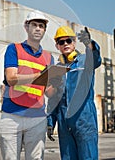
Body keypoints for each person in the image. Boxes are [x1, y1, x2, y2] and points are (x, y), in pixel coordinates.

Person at [0, 10, 56, 160]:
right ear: (26, 27)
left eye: (41, 26)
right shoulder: (14, 49)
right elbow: (11, 78)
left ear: (44, 30)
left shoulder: (49, 58)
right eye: (34, 25)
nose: (38, 28)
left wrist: (58, 82)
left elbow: (49, 92)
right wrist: (38, 76)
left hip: (37, 116)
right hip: (12, 114)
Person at [47, 26, 102, 160]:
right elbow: (54, 99)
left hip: (84, 120)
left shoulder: (85, 61)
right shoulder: (56, 70)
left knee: (88, 157)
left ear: (74, 42)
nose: (65, 44)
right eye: (61, 42)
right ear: (57, 46)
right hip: (64, 123)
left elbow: (96, 57)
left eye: (69, 40)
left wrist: (89, 44)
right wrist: (50, 121)